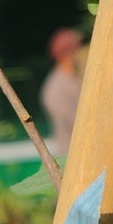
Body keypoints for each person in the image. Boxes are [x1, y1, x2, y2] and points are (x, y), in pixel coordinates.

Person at [40, 27, 86, 158]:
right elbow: (76, 122)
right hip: (72, 158)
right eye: (78, 47)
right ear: (66, 53)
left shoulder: (78, 78)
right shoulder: (54, 89)